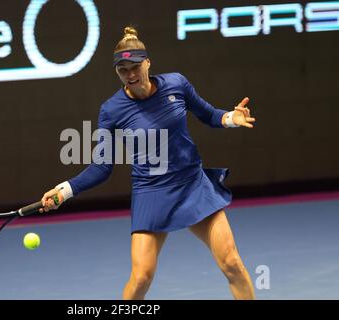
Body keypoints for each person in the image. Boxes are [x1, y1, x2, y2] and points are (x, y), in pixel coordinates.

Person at [40, 26, 256, 300]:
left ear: (148, 63)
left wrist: (230, 119)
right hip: (151, 192)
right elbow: (101, 167)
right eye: (122, 69)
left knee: (232, 263)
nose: (130, 74)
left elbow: (209, 114)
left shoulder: (177, 84)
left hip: (192, 184)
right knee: (141, 277)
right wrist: (65, 190)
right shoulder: (111, 110)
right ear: (117, 72)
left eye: (135, 66)